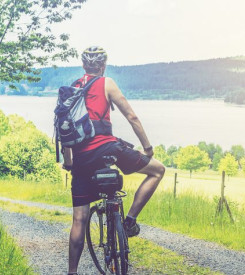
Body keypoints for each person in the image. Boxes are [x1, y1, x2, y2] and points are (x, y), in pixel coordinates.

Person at [62, 46, 166, 275]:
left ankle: (72, 272)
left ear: (83, 66)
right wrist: (147, 148)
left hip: (81, 157)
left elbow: (66, 130)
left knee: (79, 219)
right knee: (157, 170)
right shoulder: (106, 83)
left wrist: (69, 161)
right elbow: (132, 116)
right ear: (103, 66)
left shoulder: (72, 88)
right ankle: (129, 221)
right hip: (108, 148)